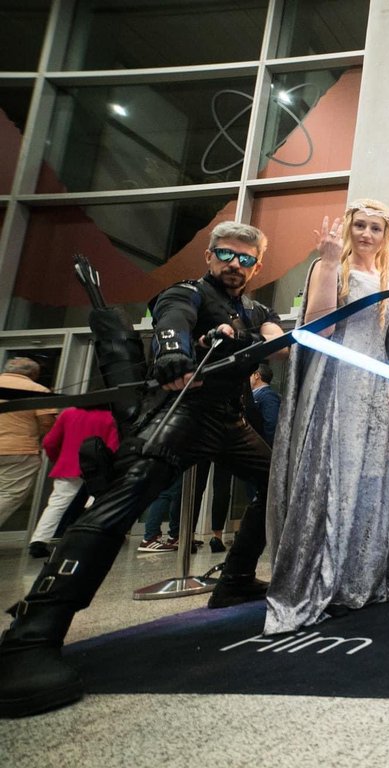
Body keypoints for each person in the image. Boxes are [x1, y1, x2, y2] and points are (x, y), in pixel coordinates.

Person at [0, 221, 284, 718]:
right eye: (226, 254)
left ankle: (236, 578)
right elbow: (170, 319)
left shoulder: (258, 310)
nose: (234, 265)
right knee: (118, 504)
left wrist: (277, 337)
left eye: (245, 259)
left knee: (280, 482)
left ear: (257, 266)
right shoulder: (188, 292)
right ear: (210, 255)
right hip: (182, 413)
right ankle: (31, 635)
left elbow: (277, 343)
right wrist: (173, 350)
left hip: (232, 421)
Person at [265, 199, 389, 635]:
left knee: (373, 482)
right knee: (333, 479)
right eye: (360, 226)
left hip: (378, 391)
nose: (367, 234)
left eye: (376, 228)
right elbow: (318, 329)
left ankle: (361, 581)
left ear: (387, 236)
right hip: (337, 384)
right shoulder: (329, 268)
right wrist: (329, 263)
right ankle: (323, 583)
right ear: (349, 229)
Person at [27, 407, 118, 559]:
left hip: (69, 464)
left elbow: (50, 441)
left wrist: (58, 458)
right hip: (97, 466)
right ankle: (94, 538)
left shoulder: (68, 413)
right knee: (100, 502)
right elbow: (113, 447)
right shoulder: (110, 416)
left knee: (57, 504)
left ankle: (38, 541)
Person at [0, 358, 55, 531]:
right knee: (9, 494)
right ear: (33, 374)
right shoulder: (37, 390)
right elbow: (47, 423)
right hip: (18, 450)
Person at [249, 363, 281, 447]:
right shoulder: (256, 394)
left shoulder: (269, 396)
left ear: (257, 375)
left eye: (250, 375)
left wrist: (265, 447)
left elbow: (271, 424)